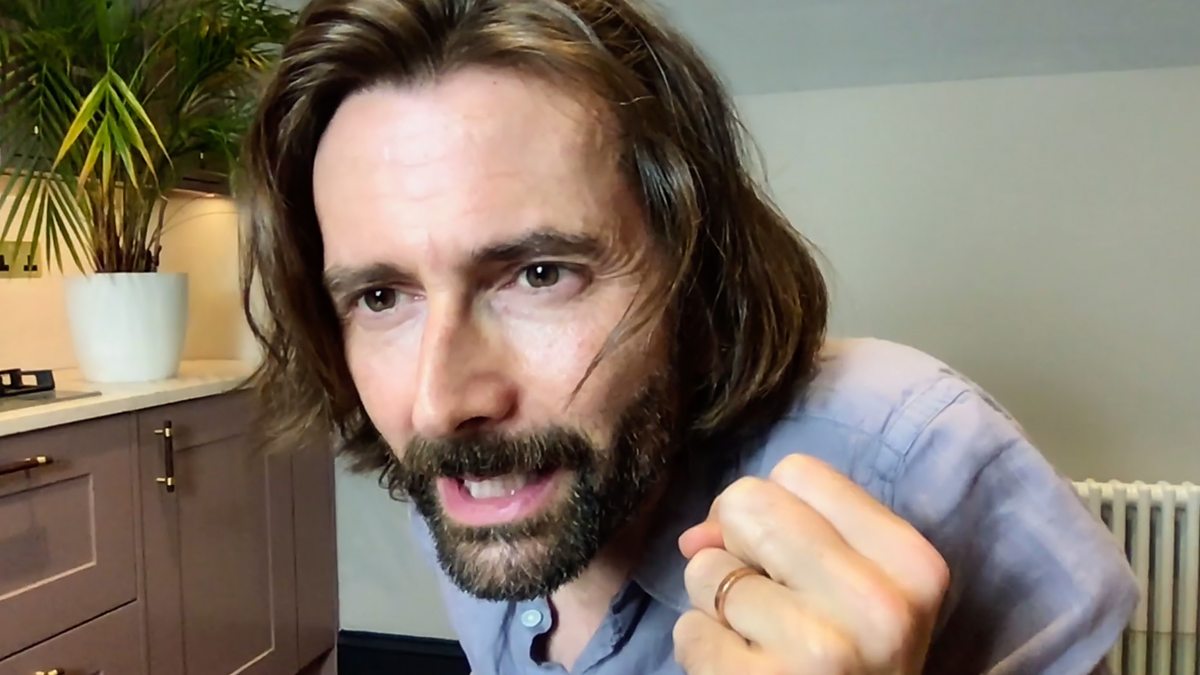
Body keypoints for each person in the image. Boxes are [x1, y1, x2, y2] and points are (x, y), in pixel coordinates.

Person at [240, 0, 1138, 672]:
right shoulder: (479, 479)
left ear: (695, 273)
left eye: (540, 275)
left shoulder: (917, 452)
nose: (440, 402)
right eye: (383, 297)